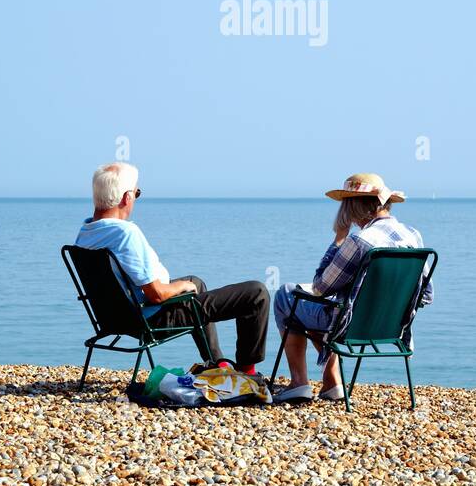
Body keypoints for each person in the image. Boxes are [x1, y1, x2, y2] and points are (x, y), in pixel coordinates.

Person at [74, 162, 268, 374]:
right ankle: (247, 372)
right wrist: (178, 287)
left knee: (195, 282)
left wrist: (183, 285)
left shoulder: (85, 233)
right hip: (151, 320)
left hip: (113, 318)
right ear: (126, 197)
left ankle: (216, 364)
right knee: (256, 293)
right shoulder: (125, 234)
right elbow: (156, 294)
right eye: (137, 193)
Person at [271, 173, 431, 403]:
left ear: (353, 207)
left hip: (349, 327)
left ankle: (299, 384)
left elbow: (320, 287)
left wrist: (338, 239)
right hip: (392, 328)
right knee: (332, 307)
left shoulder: (360, 241)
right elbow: (426, 295)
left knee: (286, 296)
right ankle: (331, 381)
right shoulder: (413, 236)